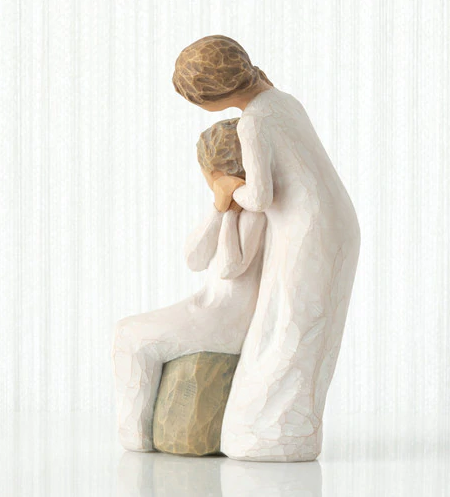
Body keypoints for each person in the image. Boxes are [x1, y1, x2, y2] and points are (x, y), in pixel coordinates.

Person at [173, 35, 361, 462]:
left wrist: (225, 187)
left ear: (213, 95)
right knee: (304, 323)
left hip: (308, 228)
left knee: (288, 324)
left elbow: (259, 196)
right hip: (332, 221)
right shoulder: (283, 101)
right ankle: (283, 429)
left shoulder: (254, 121)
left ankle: (269, 433)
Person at [112, 118, 266, 452]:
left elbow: (231, 266)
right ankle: (136, 433)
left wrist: (230, 214)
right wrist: (218, 209)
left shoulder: (255, 214)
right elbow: (194, 259)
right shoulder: (229, 209)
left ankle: (134, 436)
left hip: (225, 322)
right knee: (126, 331)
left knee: (131, 338)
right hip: (207, 307)